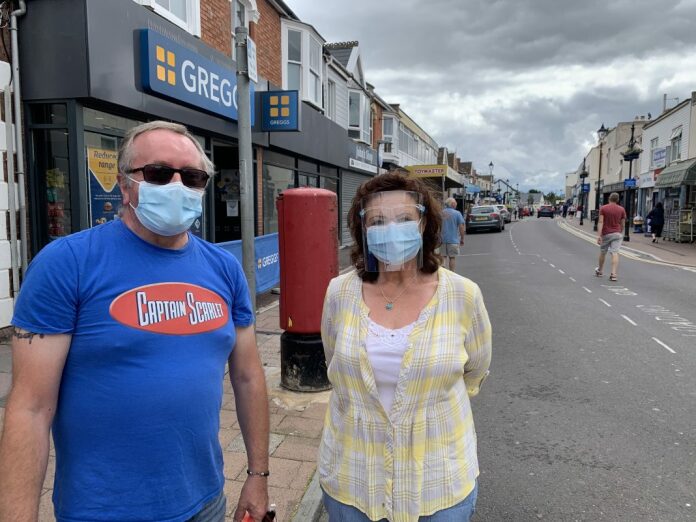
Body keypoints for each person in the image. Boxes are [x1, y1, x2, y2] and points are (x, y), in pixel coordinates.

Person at [0, 121, 270, 522]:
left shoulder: (224, 269)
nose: (178, 185)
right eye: (160, 173)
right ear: (125, 185)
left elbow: (248, 377)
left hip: (205, 502)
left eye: (193, 177)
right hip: (104, 510)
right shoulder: (67, 264)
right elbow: (31, 409)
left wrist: (258, 475)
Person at [319, 171, 492, 522]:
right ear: (363, 230)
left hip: (438, 483)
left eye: (403, 219)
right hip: (353, 479)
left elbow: (475, 369)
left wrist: (422, 400)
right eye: (378, 221)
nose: (391, 229)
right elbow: (333, 359)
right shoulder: (339, 292)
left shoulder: (463, 294)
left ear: (424, 224)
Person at [595, 192, 627, 282]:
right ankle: (613, 274)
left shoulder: (603, 208)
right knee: (615, 253)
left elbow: (600, 222)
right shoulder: (622, 209)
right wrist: (621, 231)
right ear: (618, 200)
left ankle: (600, 270)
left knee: (603, 252)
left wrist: (599, 235)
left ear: (609, 198)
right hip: (617, 233)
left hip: (606, 233)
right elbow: (623, 223)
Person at [440, 197, 466, 271]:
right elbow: (461, 227)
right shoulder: (457, 213)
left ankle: (443, 272)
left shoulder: (441, 213)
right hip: (453, 240)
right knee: (452, 257)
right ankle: (452, 273)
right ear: (452, 204)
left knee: (443, 257)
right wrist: (462, 238)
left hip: (442, 240)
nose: (456, 204)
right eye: (455, 203)